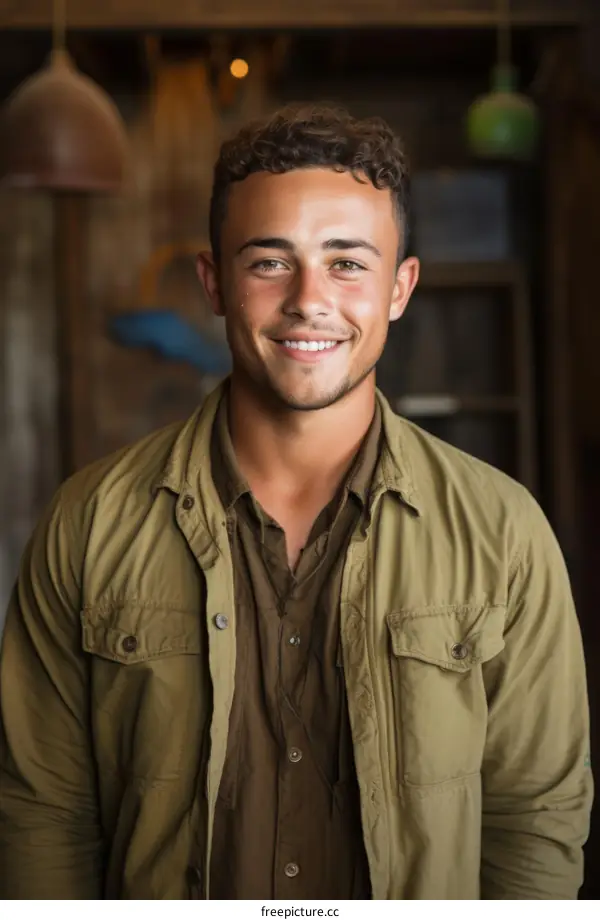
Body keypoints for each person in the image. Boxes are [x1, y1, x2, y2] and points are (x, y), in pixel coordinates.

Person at [0, 103, 593, 900]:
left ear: (399, 287)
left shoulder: (503, 531)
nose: (309, 299)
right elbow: (42, 816)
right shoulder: (89, 523)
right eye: (269, 262)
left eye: (347, 263)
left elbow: (536, 822)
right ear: (215, 282)